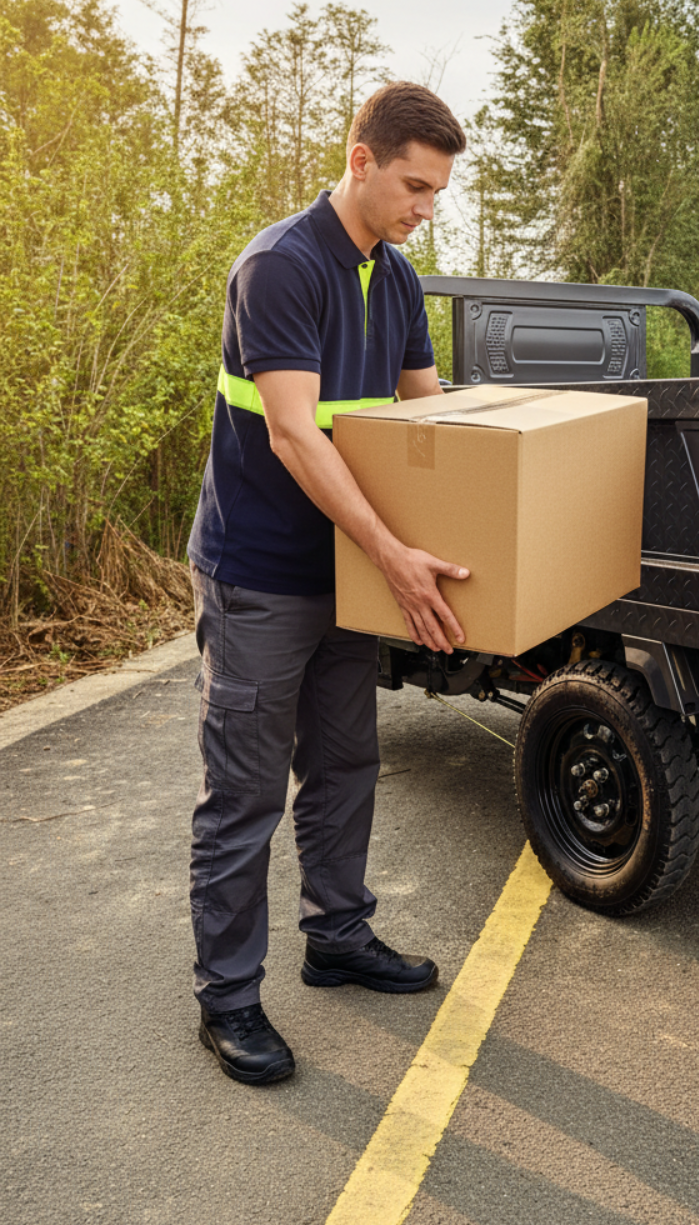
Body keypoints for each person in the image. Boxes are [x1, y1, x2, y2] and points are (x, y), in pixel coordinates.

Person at [186, 81, 469, 1086]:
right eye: (412, 186)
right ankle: (227, 1001)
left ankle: (337, 936)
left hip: (349, 577)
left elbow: (431, 426)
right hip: (262, 575)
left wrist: (465, 563)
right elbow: (296, 435)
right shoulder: (281, 265)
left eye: (436, 193)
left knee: (345, 766)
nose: (423, 208)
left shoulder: (395, 279)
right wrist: (396, 556)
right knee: (245, 795)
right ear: (360, 160)